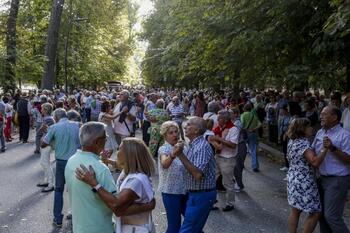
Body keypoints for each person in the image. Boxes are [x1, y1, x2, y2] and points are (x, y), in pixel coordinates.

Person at [76, 137, 156, 233]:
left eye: (119, 149)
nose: (117, 152)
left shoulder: (136, 181)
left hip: (136, 229)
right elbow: (119, 165)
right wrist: (107, 160)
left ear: (128, 155)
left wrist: (93, 183)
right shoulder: (132, 171)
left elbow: (116, 207)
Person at [312, 106, 350, 233]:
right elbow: (312, 151)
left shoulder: (344, 135)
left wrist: (333, 148)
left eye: (324, 114)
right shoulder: (320, 132)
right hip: (321, 178)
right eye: (321, 113)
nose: (320, 116)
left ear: (334, 118)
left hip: (337, 180)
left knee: (332, 216)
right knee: (321, 215)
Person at [286, 118, 328, 233]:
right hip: (304, 181)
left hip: (292, 178)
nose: (311, 128)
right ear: (302, 129)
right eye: (309, 126)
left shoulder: (292, 141)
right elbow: (314, 161)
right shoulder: (302, 143)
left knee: (295, 211)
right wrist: (325, 149)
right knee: (316, 212)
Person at [175, 117, 216, 232]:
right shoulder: (193, 145)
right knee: (194, 228)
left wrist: (180, 155)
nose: (184, 127)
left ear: (196, 130)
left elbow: (197, 175)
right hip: (196, 194)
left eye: (188, 125)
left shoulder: (201, 147)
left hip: (202, 195)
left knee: (188, 229)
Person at [41, 108, 81, 227]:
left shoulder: (54, 127)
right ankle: (76, 215)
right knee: (75, 189)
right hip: (76, 160)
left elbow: (44, 144)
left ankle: (58, 218)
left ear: (56, 117)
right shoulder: (77, 125)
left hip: (62, 162)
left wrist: (49, 134)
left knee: (59, 190)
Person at [158, 121, 187, 233]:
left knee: (192, 222)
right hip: (170, 192)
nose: (175, 135)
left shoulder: (183, 146)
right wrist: (173, 154)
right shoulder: (164, 149)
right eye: (171, 133)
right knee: (174, 226)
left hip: (185, 190)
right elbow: (164, 163)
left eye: (176, 132)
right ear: (165, 135)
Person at [209, 110, 239, 211]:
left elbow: (233, 145)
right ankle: (212, 201)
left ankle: (230, 203)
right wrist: (215, 141)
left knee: (227, 182)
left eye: (219, 118)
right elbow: (212, 139)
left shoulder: (233, 129)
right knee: (212, 179)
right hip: (217, 156)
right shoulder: (218, 128)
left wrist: (219, 139)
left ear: (225, 119)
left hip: (228, 159)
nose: (217, 120)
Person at [37, 103, 55, 192]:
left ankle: (51, 183)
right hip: (45, 142)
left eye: (42, 109)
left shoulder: (48, 119)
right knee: (44, 163)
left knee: (45, 163)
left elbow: (49, 131)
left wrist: (42, 129)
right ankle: (47, 181)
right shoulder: (48, 118)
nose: (41, 110)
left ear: (46, 110)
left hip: (46, 143)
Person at [241, 102, 261, 172]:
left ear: (244, 109)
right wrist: (254, 129)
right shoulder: (254, 116)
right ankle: (255, 166)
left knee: (243, 149)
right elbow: (260, 124)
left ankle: (241, 163)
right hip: (253, 133)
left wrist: (244, 129)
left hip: (245, 134)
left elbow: (242, 124)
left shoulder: (243, 115)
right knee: (253, 150)